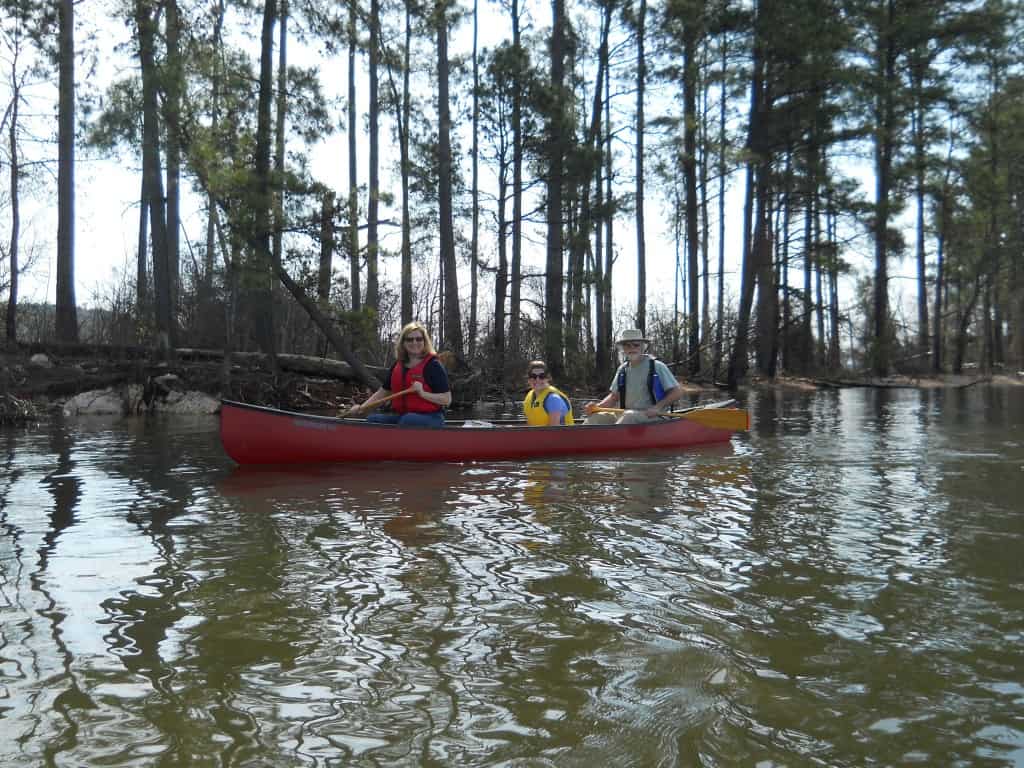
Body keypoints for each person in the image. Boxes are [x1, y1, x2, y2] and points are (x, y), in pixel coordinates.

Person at [349, 321, 452, 427]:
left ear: (425, 341)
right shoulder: (398, 365)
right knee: (373, 419)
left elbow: (446, 399)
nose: (414, 342)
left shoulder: (433, 365)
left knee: (408, 420)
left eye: (419, 339)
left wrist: (422, 393)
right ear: (403, 343)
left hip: (432, 417)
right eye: (409, 339)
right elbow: (383, 392)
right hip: (404, 416)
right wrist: (361, 409)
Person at [583, 329, 684, 424]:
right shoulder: (622, 369)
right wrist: (597, 407)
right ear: (623, 349)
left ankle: (613, 441)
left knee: (628, 416)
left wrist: (657, 407)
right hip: (626, 415)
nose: (632, 348)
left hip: (653, 416)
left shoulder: (657, 366)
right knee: (595, 418)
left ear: (643, 347)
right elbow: (614, 397)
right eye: (627, 345)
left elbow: (677, 391)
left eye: (636, 345)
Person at [522, 361, 575, 426]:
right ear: (529, 379)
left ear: (547, 378)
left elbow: (553, 432)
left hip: (562, 436)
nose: (537, 379)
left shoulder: (553, 399)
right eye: (533, 376)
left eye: (542, 376)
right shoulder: (530, 396)